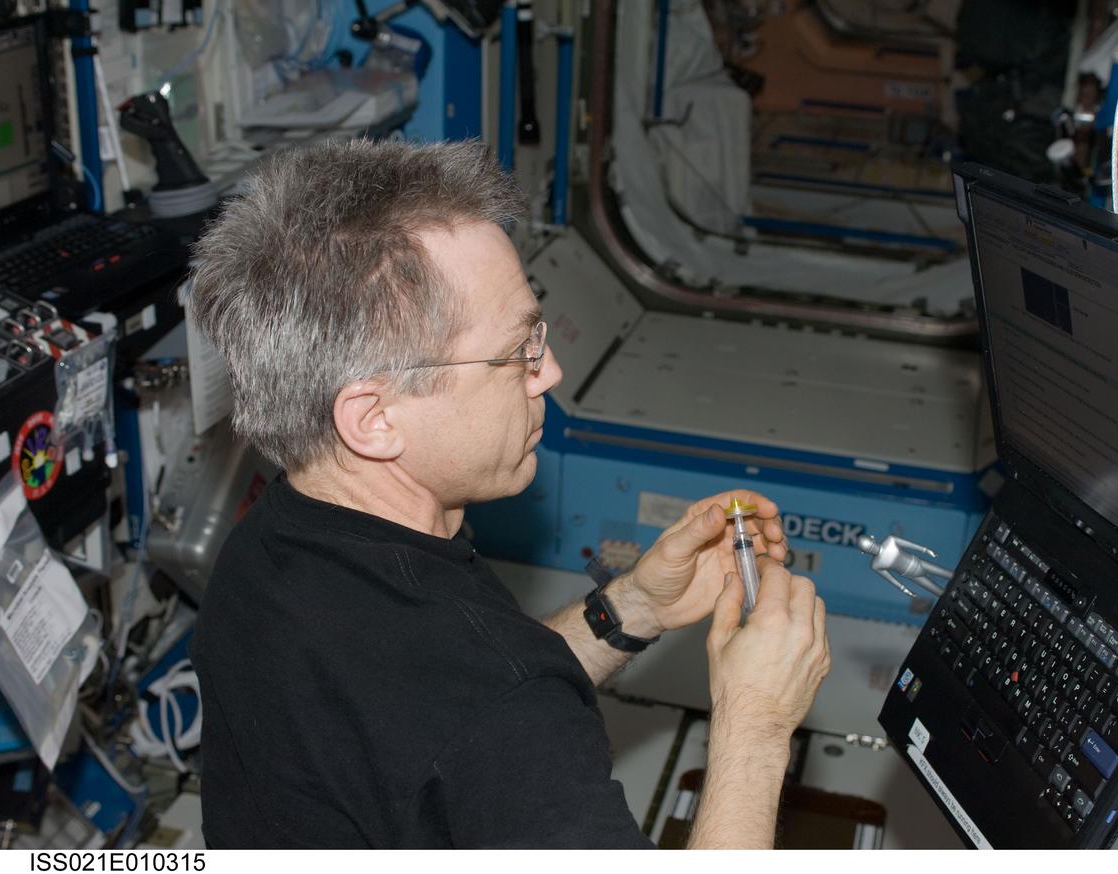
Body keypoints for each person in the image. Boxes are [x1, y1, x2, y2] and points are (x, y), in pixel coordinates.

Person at [186, 138, 831, 849]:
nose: (548, 371)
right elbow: (484, 706)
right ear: (374, 419)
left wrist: (635, 607)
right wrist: (758, 724)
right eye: (516, 351)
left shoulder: (266, 547)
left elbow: (442, 715)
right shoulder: (505, 710)